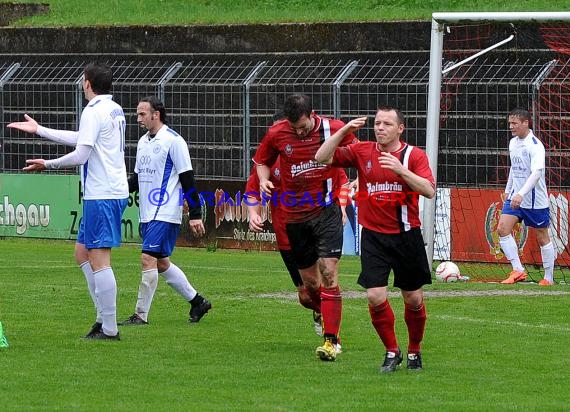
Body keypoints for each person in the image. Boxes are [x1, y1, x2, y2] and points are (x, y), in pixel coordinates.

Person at [8, 62, 129, 340]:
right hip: (107, 192)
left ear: (87, 83)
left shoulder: (93, 110)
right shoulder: (113, 108)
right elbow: (83, 140)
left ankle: (109, 329)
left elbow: (81, 155)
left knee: (99, 259)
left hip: (103, 193)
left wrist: (46, 164)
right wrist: (40, 129)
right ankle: (102, 317)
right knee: (82, 253)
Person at [315, 106, 436, 372]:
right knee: (374, 296)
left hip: (406, 236)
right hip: (373, 237)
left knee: (413, 299)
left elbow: (428, 189)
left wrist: (401, 171)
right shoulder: (362, 151)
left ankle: (414, 351)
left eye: (387, 124)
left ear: (400, 129)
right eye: (378, 123)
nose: (380, 128)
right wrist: (344, 130)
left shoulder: (413, 155)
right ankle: (392, 352)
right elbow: (322, 156)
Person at [253, 94, 358, 361]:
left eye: (303, 127)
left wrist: (357, 183)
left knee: (329, 271)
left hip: (326, 211)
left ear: (313, 113)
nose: (300, 133)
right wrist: (264, 180)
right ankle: (323, 315)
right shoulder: (277, 133)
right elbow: (261, 162)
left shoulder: (333, 129)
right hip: (295, 218)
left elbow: (357, 154)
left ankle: (332, 340)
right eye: (295, 129)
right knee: (311, 286)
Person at [118, 96, 212, 326]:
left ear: (155, 114)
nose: (138, 118)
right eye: (137, 114)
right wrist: (117, 191)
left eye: (142, 114)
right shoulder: (142, 142)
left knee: (147, 258)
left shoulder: (174, 141)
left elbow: (187, 178)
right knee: (160, 263)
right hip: (147, 213)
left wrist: (195, 214)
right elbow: (138, 179)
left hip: (166, 211)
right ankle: (198, 302)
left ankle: (140, 315)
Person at [245, 158, 350, 337]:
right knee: (306, 295)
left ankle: (332, 334)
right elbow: (252, 191)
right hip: (289, 233)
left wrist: (342, 207)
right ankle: (321, 312)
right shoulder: (270, 159)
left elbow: (343, 182)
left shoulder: (320, 152)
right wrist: (253, 213)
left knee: (328, 274)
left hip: (322, 225)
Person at [498, 108, 555, 286]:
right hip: (515, 197)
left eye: (514, 123)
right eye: (510, 124)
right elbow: (514, 169)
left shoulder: (535, 146)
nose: (511, 127)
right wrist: (509, 190)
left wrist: (521, 194)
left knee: (542, 236)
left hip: (534, 200)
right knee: (502, 228)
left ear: (525, 123)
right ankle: (518, 270)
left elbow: (536, 172)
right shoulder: (513, 143)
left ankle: (548, 278)